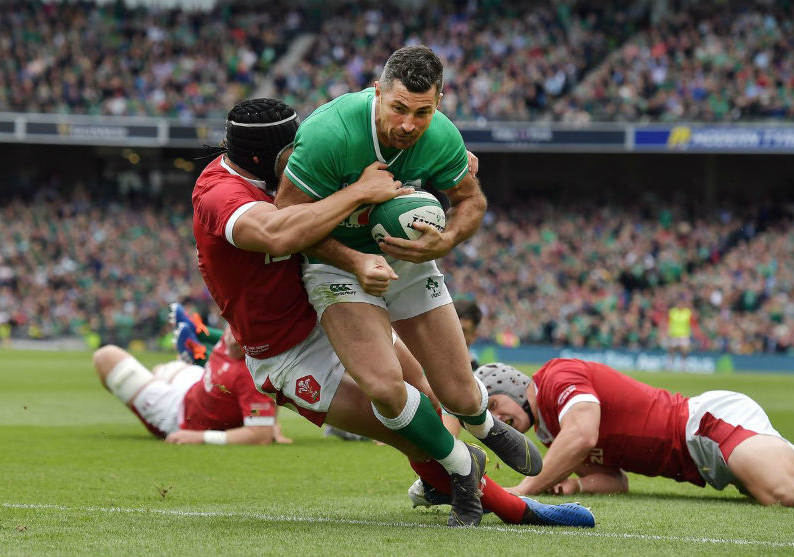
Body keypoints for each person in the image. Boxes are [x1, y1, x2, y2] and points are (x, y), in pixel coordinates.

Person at [190, 97, 589, 528]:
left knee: (431, 398)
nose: (300, 157)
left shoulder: (293, 170)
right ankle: (516, 508)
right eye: (292, 150)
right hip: (289, 350)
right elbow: (277, 233)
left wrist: (443, 160)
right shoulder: (220, 193)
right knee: (412, 434)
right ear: (262, 159)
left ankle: (462, 453)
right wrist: (359, 192)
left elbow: (366, 150)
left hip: (329, 303)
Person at [273, 46, 542, 515]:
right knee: (384, 387)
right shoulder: (329, 132)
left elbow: (470, 200)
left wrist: (446, 241)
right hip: (337, 264)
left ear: (439, 104)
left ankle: (482, 422)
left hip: (410, 261)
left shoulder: (440, 135)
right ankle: (461, 466)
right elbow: (286, 220)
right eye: (398, 108)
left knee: (458, 393)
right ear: (377, 92)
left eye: (423, 112)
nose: (408, 125)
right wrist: (355, 260)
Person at [464, 359, 794, 506]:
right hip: (703, 456)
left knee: (785, 491)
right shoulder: (552, 433)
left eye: (494, 407)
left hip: (705, 425)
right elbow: (614, 481)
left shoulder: (557, 377)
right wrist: (573, 484)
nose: (496, 421)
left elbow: (584, 436)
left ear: (512, 386)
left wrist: (528, 488)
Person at [93, 321, 290, 445]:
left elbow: (260, 435)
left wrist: (200, 437)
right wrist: (269, 420)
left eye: (240, 335)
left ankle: (151, 400)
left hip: (179, 414)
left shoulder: (251, 374)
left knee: (105, 357)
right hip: (196, 385)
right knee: (159, 369)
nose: (230, 339)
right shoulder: (235, 328)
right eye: (232, 326)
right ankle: (162, 380)